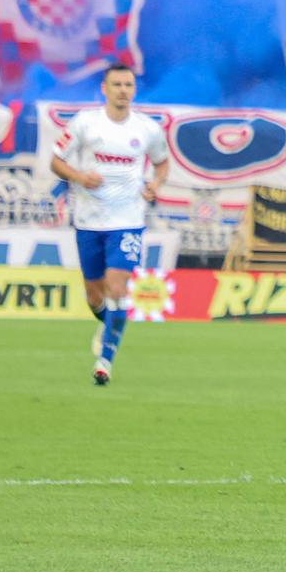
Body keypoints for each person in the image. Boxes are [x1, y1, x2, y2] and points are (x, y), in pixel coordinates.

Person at [49, 63, 168, 386]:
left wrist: (155, 185)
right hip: (89, 219)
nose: (122, 90)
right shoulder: (86, 124)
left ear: (134, 89)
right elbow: (56, 161)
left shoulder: (146, 129)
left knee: (117, 288)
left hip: (128, 219)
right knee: (94, 296)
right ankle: (108, 323)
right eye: (116, 84)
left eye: (128, 85)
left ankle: (106, 360)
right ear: (104, 88)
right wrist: (79, 177)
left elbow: (162, 163)